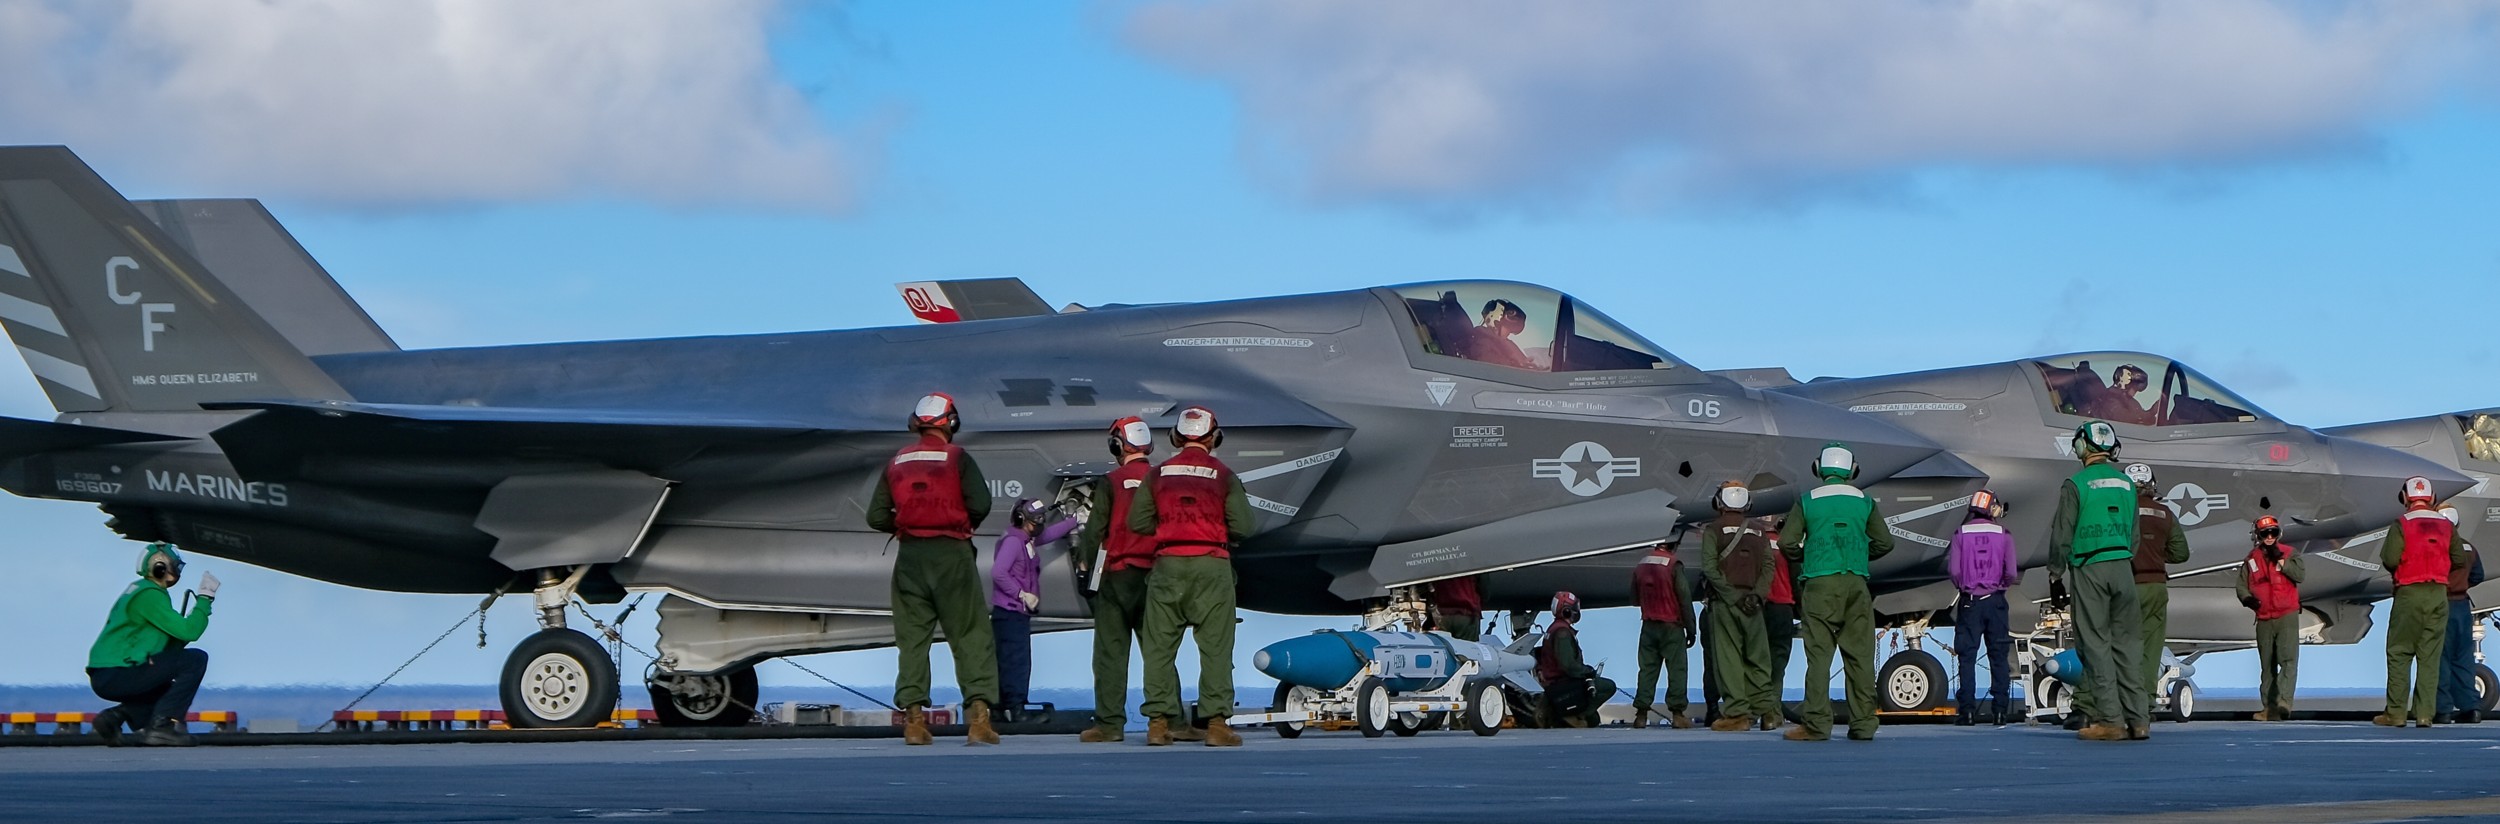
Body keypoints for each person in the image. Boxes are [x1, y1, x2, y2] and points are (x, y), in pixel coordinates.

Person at [867, 393, 1000, 746]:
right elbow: (981, 503)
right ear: (951, 422)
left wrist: (908, 523)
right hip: (951, 554)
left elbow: (875, 516)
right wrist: (956, 523)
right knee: (970, 634)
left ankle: (913, 722)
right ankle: (979, 722)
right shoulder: (957, 458)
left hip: (910, 557)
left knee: (912, 641)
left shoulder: (896, 461)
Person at [1130, 406, 1255, 747]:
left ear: (1175, 437)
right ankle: (1215, 725)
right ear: (1215, 438)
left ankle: (1158, 724)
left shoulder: (1157, 475)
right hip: (1212, 565)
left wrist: (1170, 527)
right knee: (1215, 649)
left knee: (1158, 649)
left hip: (1168, 565)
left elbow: (1137, 523)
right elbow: (1245, 526)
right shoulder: (1224, 475)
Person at [1779, 444, 1893, 742]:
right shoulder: (1865, 501)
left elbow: (1786, 543)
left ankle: (1816, 725)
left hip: (1818, 586)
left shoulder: (1807, 501)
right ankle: (1864, 725)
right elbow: (1885, 543)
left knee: (1819, 658)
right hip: (1856, 585)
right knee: (1859, 658)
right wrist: (1858, 554)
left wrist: (1808, 556)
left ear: (1818, 468)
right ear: (1853, 470)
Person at [2048, 420, 2148, 742]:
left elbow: (2062, 534)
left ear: (2083, 446)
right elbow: (2134, 536)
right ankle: (2139, 720)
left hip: (2090, 568)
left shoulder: (2075, 484)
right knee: (2128, 645)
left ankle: (2110, 721)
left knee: (2095, 645)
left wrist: (2055, 573)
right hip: (2122, 567)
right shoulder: (2126, 484)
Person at [87, 543, 219, 747]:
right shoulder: (149, 594)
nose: (177, 572)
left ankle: (114, 717)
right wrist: (205, 598)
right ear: (159, 567)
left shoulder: (141, 591)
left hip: (108, 674)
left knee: (167, 690)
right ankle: (162, 728)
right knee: (195, 660)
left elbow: (171, 647)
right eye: (174, 566)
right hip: (118, 672)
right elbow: (190, 632)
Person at [1078, 417, 1158, 743]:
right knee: (1159, 652)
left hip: (1116, 576)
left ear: (1117, 446)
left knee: (1111, 652)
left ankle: (1110, 725)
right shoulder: (1161, 479)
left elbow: (1095, 532)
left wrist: (1086, 569)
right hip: (1155, 577)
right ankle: (1167, 722)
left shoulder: (1111, 482)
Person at [2378, 476, 2468, 728]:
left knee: (2399, 652)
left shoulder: (2402, 523)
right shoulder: (2447, 526)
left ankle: (2395, 714)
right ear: (2432, 498)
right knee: (2430, 655)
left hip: (2409, 592)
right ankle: (2425, 714)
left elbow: (2390, 558)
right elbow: (2459, 559)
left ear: (2405, 497)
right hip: (2438, 593)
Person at [1702, 482, 1778, 732]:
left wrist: (1732, 596)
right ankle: (1767, 712)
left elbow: (1710, 569)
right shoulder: (1759, 531)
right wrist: (1757, 596)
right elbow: (1768, 567)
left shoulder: (1713, 530)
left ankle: (1737, 714)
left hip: (1726, 603)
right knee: (1759, 658)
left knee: (1729, 659)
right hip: (1753, 604)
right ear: (1747, 503)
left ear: (1719, 502)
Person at [992, 498, 1077, 721]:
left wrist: (1073, 522)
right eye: (1034, 522)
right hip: (1010, 611)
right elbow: (999, 572)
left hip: (1016, 612)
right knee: (1016, 661)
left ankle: (1006, 707)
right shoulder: (1013, 542)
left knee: (1013, 659)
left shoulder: (1025, 538)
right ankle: (1015, 709)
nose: (1038, 526)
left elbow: (1047, 535)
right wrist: (1021, 594)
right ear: (1021, 519)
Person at [1948, 490, 2018, 727]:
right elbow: (2011, 573)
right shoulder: (2004, 534)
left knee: (1967, 658)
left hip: (1969, 602)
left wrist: (1965, 588)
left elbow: (1955, 572)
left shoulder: (1960, 534)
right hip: (1996, 601)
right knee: (1998, 657)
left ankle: (1967, 712)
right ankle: (2000, 712)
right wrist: (2000, 587)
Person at [2126, 463, 2191, 713]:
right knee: (2152, 647)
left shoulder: (2121, 512)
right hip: (2156, 586)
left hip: (2127, 585)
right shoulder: (2165, 513)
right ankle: (2144, 703)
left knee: (2120, 643)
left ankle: (2121, 700)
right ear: (2152, 484)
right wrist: (2156, 555)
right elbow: (2181, 553)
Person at [2235, 516, 2302, 721]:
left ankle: (2284, 703)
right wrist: (2247, 599)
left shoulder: (2290, 553)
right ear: (2259, 535)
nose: (2269, 537)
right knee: (2267, 665)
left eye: (2273, 532)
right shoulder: (2251, 559)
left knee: (2288, 660)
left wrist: (2280, 560)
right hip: (2264, 617)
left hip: (2286, 615)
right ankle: (2269, 708)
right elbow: (2241, 585)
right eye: (2265, 533)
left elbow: (2299, 575)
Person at [1631, 529, 1696, 729]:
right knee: (1676, 670)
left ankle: (1641, 715)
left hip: (1648, 626)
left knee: (1647, 670)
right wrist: (1691, 629)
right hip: (1671, 627)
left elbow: (1634, 598)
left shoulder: (1641, 564)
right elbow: (1684, 599)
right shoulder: (1673, 565)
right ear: (1673, 544)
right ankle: (1678, 715)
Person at [1534, 591, 1615, 728]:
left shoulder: (1555, 629)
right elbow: (1568, 665)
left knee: (1594, 719)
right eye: (1574, 608)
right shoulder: (1562, 633)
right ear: (1566, 611)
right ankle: (1571, 714)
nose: (1576, 611)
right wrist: (1588, 672)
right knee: (1609, 686)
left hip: (1555, 683)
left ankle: (1567, 713)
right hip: (1564, 683)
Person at [2437, 509, 2485, 724]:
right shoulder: (2468, 546)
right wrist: (2462, 585)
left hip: (2441, 604)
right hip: (2462, 607)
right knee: (2464, 659)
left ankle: (2442, 709)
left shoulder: (2437, 546)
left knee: (2440, 658)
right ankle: (2471, 707)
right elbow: (2478, 575)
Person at [1760, 516, 1797, 710]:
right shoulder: (1786, 545)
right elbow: (1796, 576)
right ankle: (1772, 712)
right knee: (1778, 662)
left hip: (1759, 609)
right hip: (1783, 607)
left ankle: (1754, 709)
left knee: (1757, 662)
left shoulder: (1754, 542)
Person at [1469, 299, 1536, 370]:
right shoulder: (1482, 344)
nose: (1508, 334)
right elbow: (1494, 370)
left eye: (1510, 331)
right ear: (1496, 323)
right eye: (1507, 329)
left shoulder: (1507, 344)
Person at [1430, 573, 1487, 642]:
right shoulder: (1475, 562)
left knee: (1444, 647)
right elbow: (1485, 588)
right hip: (1467, 613)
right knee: (1467, 649)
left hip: (1442, 615)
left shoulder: (1438, 563)